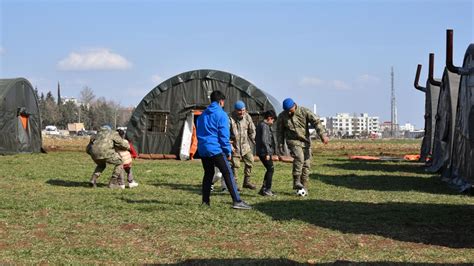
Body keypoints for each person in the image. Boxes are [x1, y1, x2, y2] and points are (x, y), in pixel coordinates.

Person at [196, 90, 251, 210]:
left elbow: (198, 131)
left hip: (203, 149)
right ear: (221, 101)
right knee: (227, 173)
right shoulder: (221, 115)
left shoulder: (202, 115)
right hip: (215, 149)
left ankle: (205, 202)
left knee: (208, 174)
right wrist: (227, 151)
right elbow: (223, 136)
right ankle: (237, 201)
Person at [276, 98, 329, 195]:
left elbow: (316, 121)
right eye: (286, 110)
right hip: (292, 141)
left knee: (306, 164)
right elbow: (279, 131)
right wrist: (280, 144)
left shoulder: (304, 111)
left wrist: (322, 135)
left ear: (294, 106)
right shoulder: (282, 116)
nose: (288, 112)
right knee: (299, 158)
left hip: (305, 141)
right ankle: (296, 180)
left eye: (290, 110)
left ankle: (303, 187)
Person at [229, 100, 257, 190]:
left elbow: (251, 129)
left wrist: (254, 139)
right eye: (239, 111)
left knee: (250, 161)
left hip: (245, 146)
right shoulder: (230, 118)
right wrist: (229, 145)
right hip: (235, 146)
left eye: (243, 110)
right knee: (235, 166)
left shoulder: (247, 117)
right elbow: (225, 133)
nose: (242, 112)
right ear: (235, 110)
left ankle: (247, 181)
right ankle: (235, 184)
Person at [255, 110, 277, 196]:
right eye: (273, 120)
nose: (273, 122)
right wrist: (268, 153)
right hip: (264, 152)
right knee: (271, 169)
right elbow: (264, 140)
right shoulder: (264, 126)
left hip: (261, 151)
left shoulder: (260, 124)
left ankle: (263, 189)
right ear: (269, 118)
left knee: (269, 169)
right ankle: (267, 189)